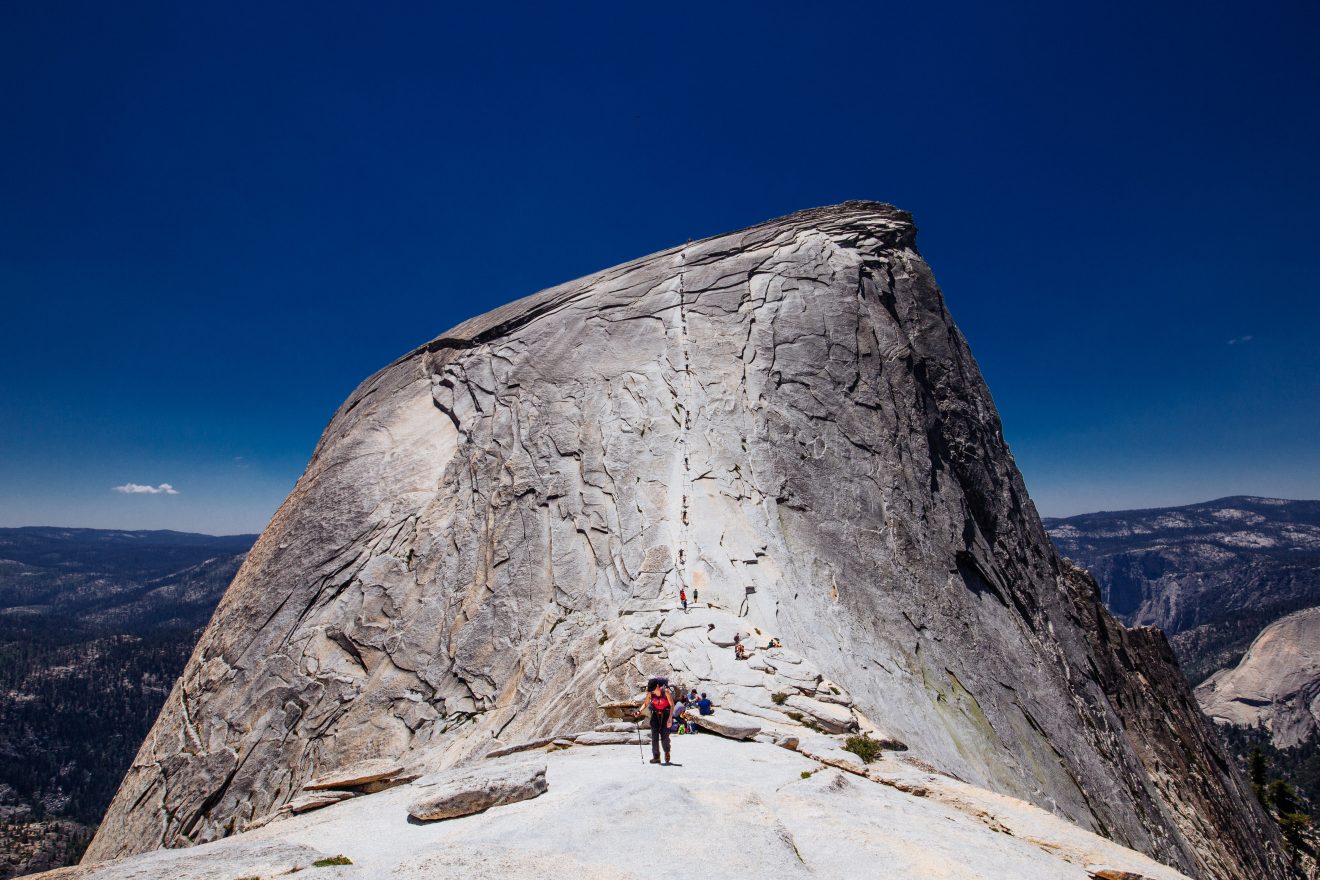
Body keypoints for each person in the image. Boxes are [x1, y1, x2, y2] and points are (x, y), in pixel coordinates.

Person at [641, 679, 674, 764]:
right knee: (654, 736)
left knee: (664, 735)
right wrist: (638, 712)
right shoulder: (651, 693)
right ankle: (656, 757)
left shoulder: (665, 691)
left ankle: (667, 752)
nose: (652, 691)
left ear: (657, 686)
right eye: (651, 690)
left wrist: (670, 718)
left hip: (666, 714)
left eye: (653, 689)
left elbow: (672, 705)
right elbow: (646, 704)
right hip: (655, 714)